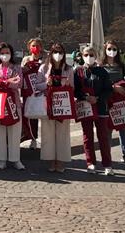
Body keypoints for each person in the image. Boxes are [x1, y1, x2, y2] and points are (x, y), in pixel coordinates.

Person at [74, 45, 114, 175]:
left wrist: (97, 98)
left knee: (103, 137)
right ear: (82, 56)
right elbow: (75, 90)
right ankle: (90, 163)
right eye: (86, 55)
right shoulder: (78, 71)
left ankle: (107, 164)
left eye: (91, 55)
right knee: (87, 137)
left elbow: (108, 89)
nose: (89, 57)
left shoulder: (102, 72)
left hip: (101, 107)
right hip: (85, 107)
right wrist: (85, 97)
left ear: (95, 56)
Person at [34, 42, 74, 173]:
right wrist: (46, 83)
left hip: (63, 104)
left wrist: (67, 84)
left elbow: (73, 87)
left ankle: (61, 161)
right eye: (55, 52)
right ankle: (51, 161)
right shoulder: (43, 68)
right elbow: (36, 86)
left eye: (60, 52)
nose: (58, 55)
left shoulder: (68, 69)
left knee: (63, 134)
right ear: (51, 53)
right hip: (48, 103)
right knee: (48, 133)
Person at [0, 43, 24, 170]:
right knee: (0, 131)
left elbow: (18, 83)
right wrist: (7, 82)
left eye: (7, 52)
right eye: (2, 53)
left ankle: (16, 159)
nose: (5, 55)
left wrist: (1, 83)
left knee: (15, 130)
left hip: (14, 102)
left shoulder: (17, 68)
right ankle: (1, 159)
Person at [101, 40, 125, 163]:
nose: (112, 51)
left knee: (122, 127)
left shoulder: (121, 65)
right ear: (105, 50)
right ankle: (107, 154)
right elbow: (100, 84)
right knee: (108, 127)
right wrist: (113, 87)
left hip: (121, 100)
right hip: (107, 100)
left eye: (114, 49)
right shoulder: (101, 66)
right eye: (109, 49)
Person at [20, 37, 44, 150]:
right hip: (28, 90)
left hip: (41, 90)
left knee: (42, 113)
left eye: (37, 45)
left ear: (41, 47)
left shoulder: (45, 59)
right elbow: (21, 73)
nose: (35, 48)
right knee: (30, 115)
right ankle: (31, 137)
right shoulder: (26, 59)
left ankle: (41, 139)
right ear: (29, 48)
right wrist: (24, 69)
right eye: (33, 46)